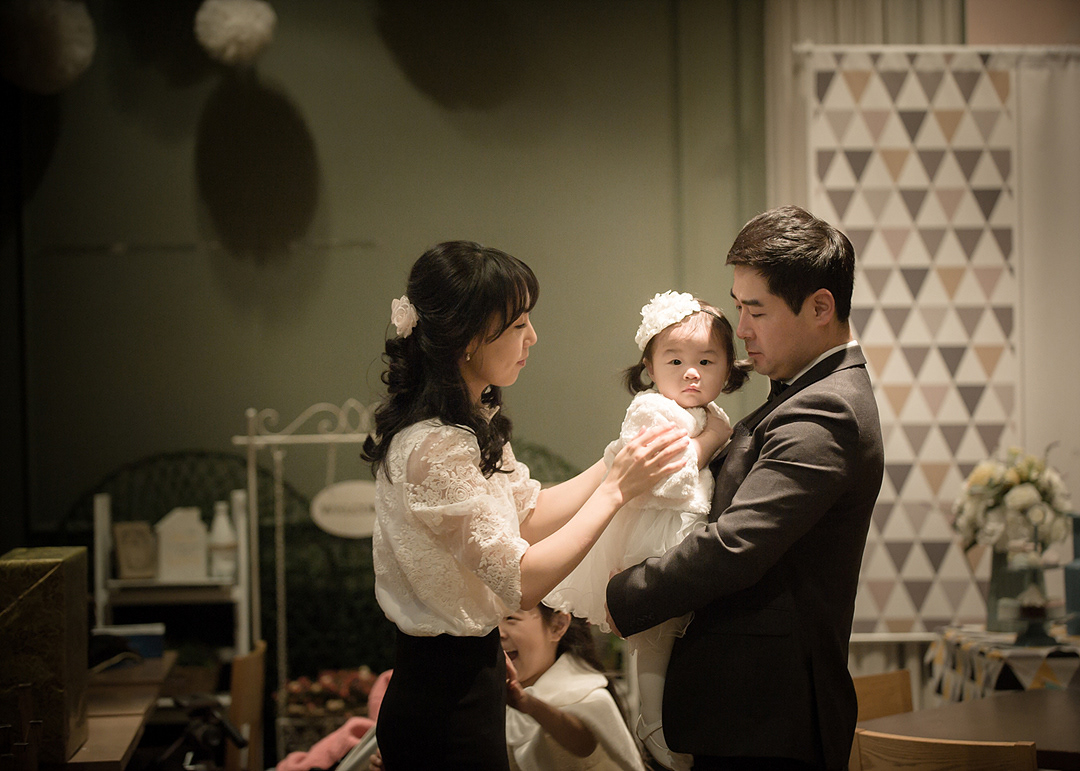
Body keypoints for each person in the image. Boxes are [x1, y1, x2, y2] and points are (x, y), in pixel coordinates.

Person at [362, 241, 690, 771]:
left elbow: (528, 515)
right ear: (469, 339)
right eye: (518, 324)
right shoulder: (435, 446)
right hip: (442, 695)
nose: (532, 337)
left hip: (474, 673)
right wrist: (616, 490)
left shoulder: (469, 425)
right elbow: (521, 581)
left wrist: (616, 460)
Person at [606, 206, 885, 771]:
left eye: (756, 310)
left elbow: (737, 544)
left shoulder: (826, 408)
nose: (742, 329)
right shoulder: (801, 391)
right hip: (749, 711)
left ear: (820, 307)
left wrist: (626, 594)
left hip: (769, 716)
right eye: (738, 307)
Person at [546, 291, 748, 770]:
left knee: (678, 637)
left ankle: (667, 719)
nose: (691, 372)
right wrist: (711, 441)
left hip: (685, 533)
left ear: (727, 369)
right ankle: (651, 721)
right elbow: (667, 480)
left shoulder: (708, 414)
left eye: (706, 361)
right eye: (675, 360)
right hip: (656, 534)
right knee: (655, 636)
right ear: (650, 368)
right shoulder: (653, 411)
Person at [501, 604, 646, 771]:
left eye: (511, 618)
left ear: (558, 626)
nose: (498, 632)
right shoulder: (490, 697)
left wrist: (530, 705)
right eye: (489, 620)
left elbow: (583, 744)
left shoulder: (586, 693)